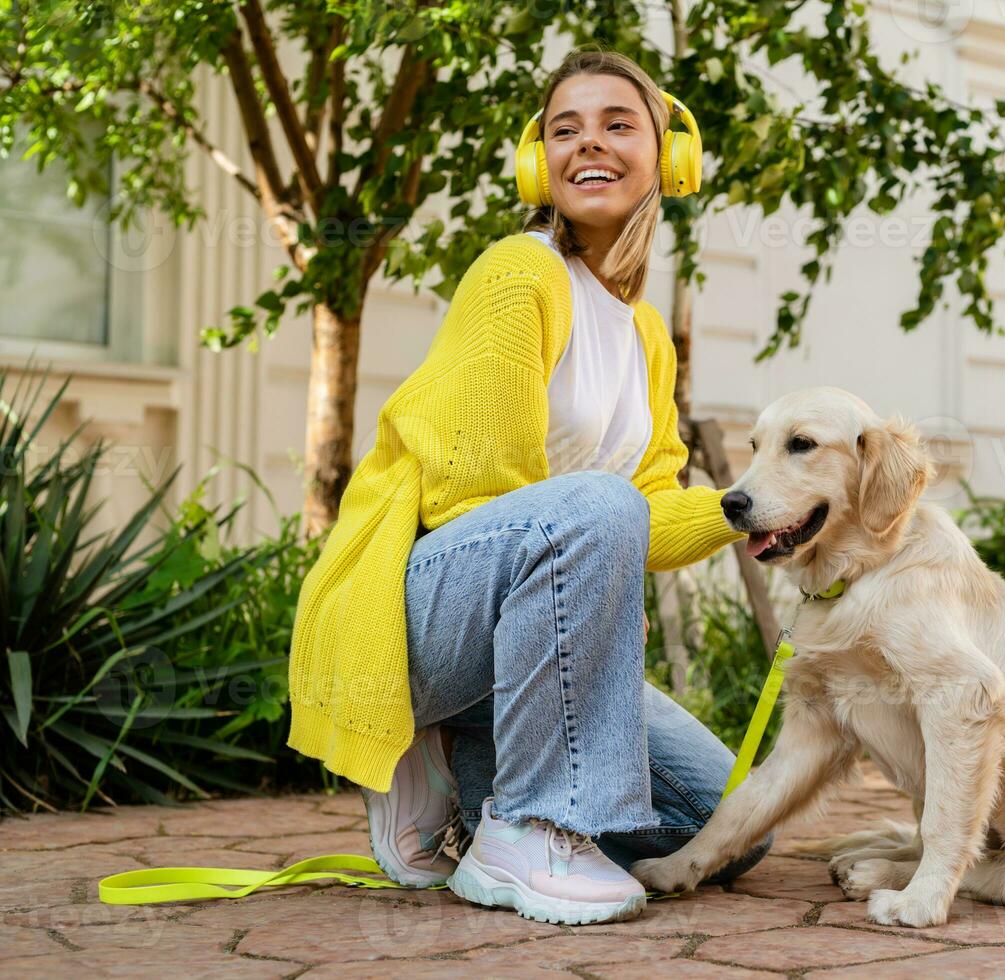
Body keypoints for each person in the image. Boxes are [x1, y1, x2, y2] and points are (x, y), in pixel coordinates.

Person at [287, 49, 770, 926]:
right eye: (564, 128)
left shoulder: (646, 335)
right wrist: (569, 681)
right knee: (596, 503)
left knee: (726, 827)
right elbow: (473, 497)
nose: (590, 143)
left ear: (668, 156)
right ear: (536, 162)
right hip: (414, 616)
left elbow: (650, 520)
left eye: (618, 124)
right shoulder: (520, 274)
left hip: (519, 611)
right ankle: (526, 827)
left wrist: (758, 509)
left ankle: (454, 772)